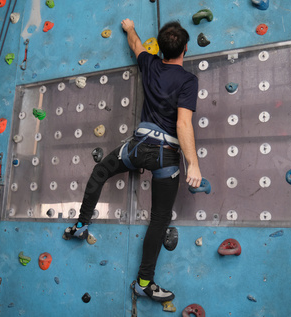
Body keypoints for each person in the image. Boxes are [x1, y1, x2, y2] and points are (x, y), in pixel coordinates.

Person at [63, 19, 202, 302]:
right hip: (166, 157)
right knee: (159, 220)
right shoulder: (188, 80)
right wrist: (194, 164)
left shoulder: (149, 63)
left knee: (100, 172)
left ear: (160, 48)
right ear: (185, 48)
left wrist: (129, 28)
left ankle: (81, 226)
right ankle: (143, 282)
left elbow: (135, 44)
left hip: (137, 148)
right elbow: (183, 124)